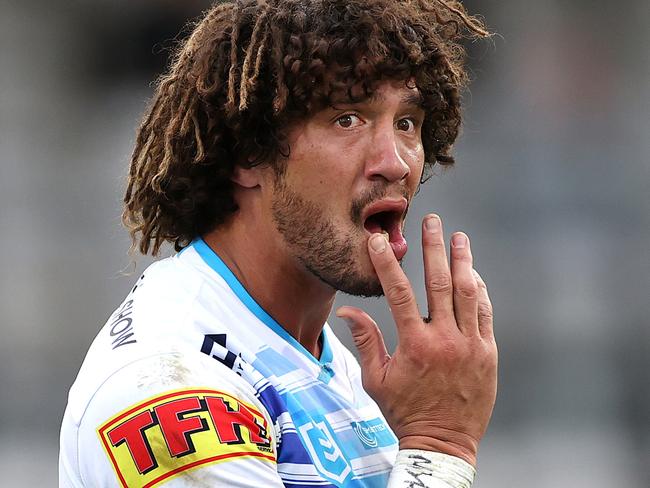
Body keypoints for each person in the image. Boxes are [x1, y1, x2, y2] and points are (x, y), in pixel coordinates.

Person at [59, 1, 497, 487]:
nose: (394, 163)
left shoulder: (323, 362)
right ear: (249, 153)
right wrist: (440, 444)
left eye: (406, 122)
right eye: (348, 118)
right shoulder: (170, 389)